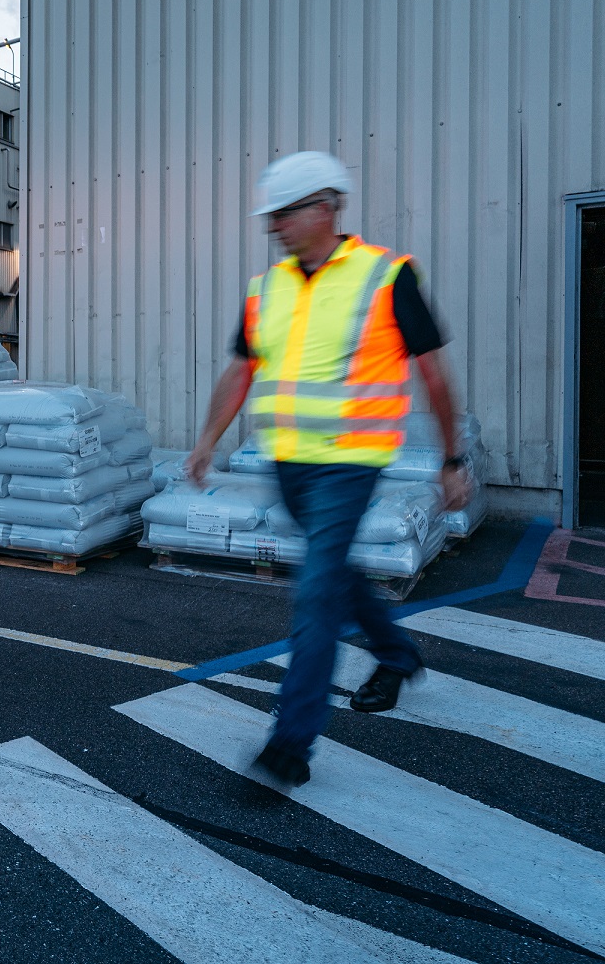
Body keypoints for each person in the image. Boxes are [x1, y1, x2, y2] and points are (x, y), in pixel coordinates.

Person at [186, 151, 472, 787]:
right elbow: (243, 368)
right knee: (334, 570)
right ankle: (396, 655)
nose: (274, 227)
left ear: (326, 208)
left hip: (352, 463)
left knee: (314, 593)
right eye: (272, 216)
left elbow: (433, 370)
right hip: (291, 464)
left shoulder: (386, 276)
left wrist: (452, 459)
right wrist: (207, 439)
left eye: (284, 214)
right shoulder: (267, 289)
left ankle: (290, 744)